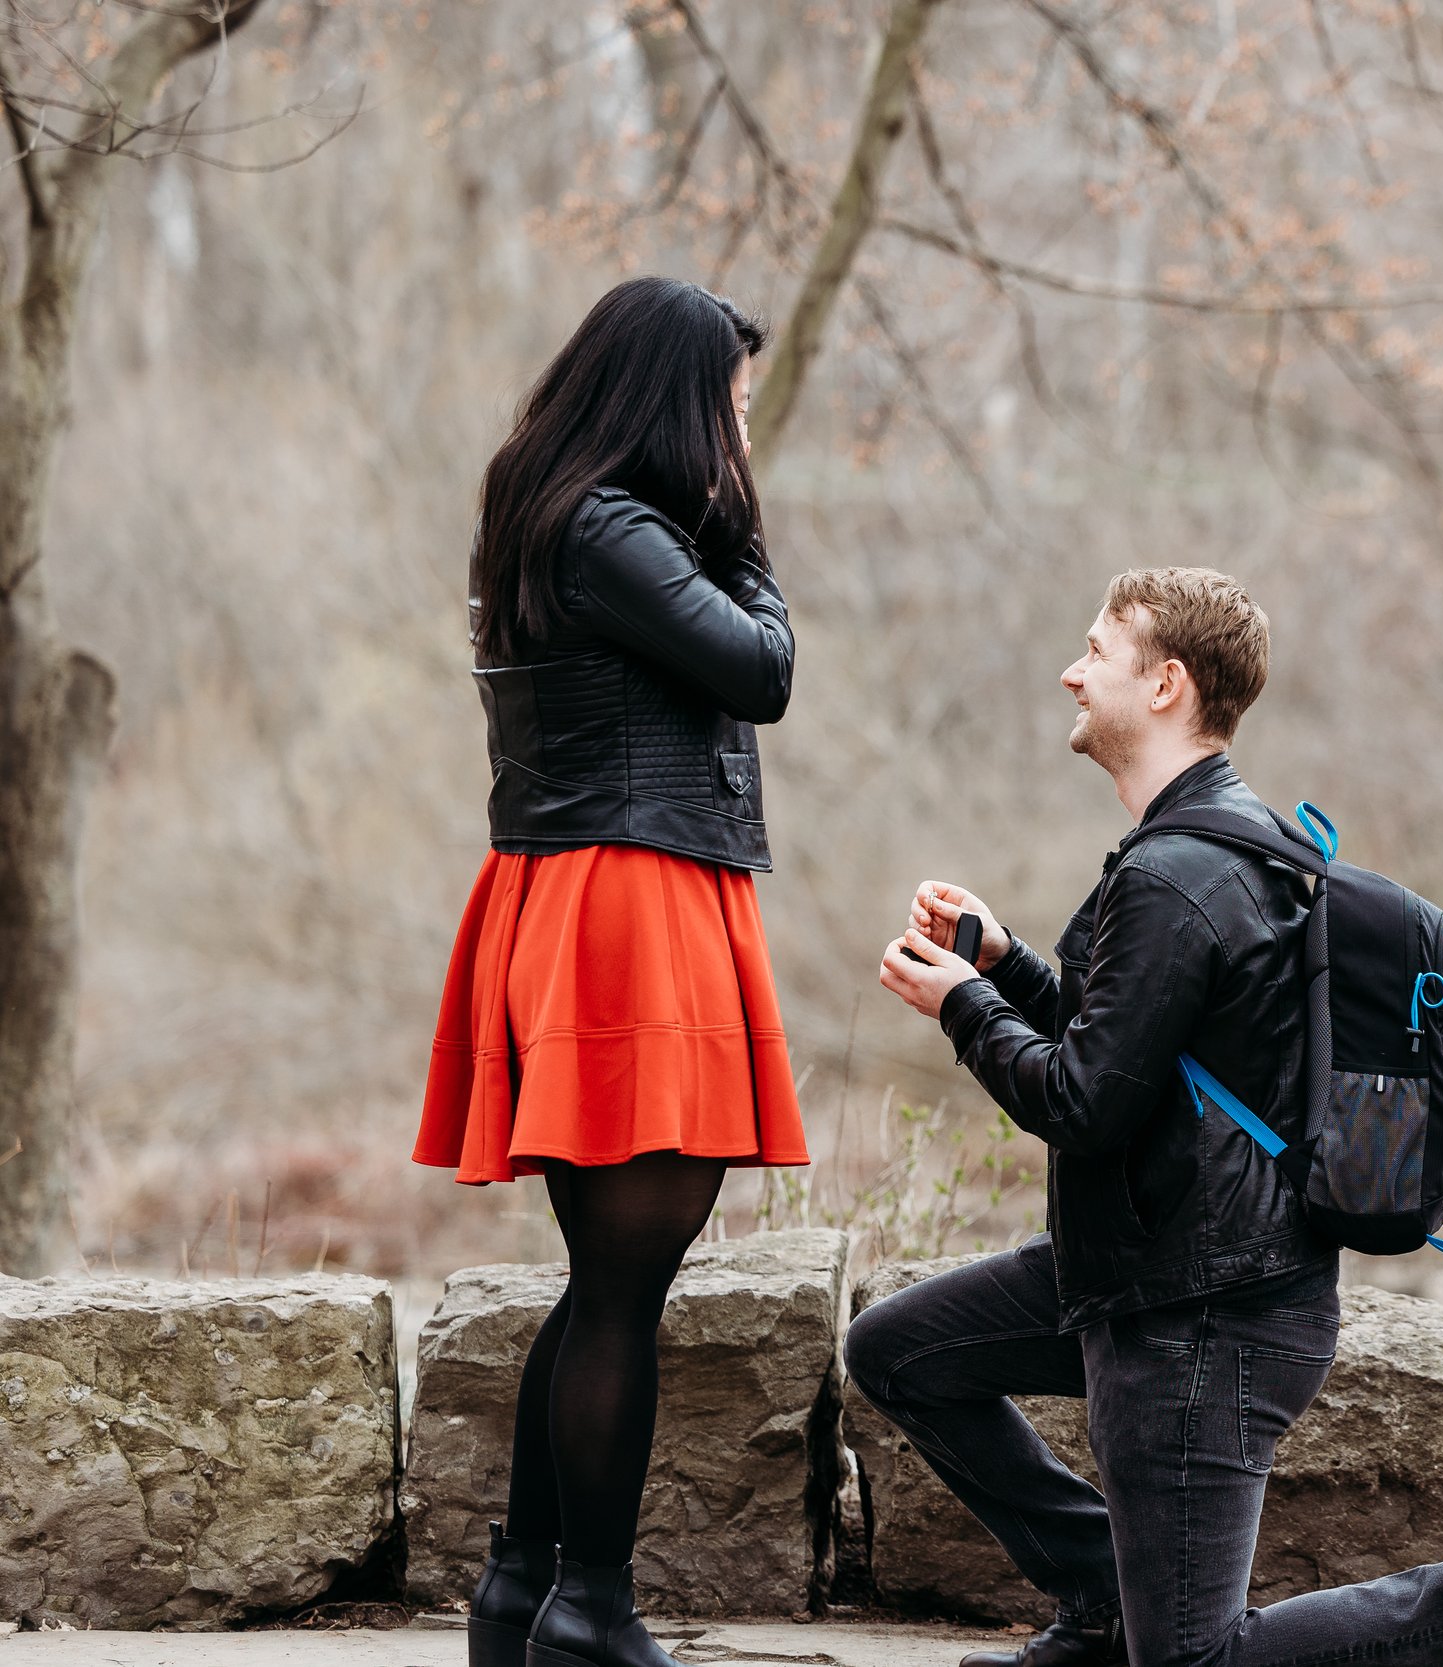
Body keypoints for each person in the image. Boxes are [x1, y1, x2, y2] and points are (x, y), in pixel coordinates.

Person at [855, 567, 1443, 1667]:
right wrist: (1006, 961)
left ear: (1165, 683)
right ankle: (1101, 1593)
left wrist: (960, 1005)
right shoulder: (1232, 841)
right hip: (1157, 1263)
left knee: (1195, 1661)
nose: (1071, 671)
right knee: (902, 1349)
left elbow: (1081, 1101)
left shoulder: (1176, 873)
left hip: (1204, 1312)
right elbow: (1140, 1051)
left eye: (1096, 652)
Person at [412, 275, 807, 1667]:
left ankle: (528, 1591)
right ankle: (593, 1607)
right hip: (626, 901)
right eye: (732, 408)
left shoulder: (551, 510)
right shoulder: (616, 529)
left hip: (578, 886)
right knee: (624, 1282)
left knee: (604, 1278)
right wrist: (745, 524)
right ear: (673, 399)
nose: (740, 435)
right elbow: (762, 670)